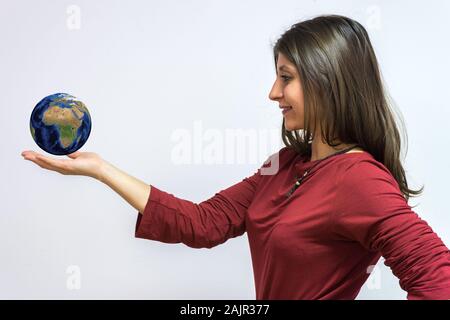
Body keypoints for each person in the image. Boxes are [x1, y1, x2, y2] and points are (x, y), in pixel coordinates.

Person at [21, 14, 450, 300]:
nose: (273, 92)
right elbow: (202, 222)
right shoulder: (283, 164)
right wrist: (99, 169)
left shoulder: (359, 179)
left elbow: (437, 278)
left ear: (328, 81)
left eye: (287, 78)